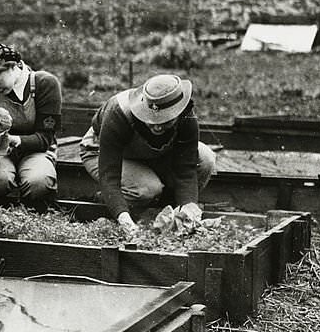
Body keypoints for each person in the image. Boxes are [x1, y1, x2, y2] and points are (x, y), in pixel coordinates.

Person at [79, 73, 217, 231]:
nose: (157, 126)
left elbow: (185, 170)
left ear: (179, 113)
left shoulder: (187, 118)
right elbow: (109, 174)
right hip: (101, 152)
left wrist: (188, 209)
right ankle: (107, 199)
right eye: (151, 118)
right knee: (146, 189)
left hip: (150, 153)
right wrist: (123, 218)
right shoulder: (118, 112)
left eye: (165, 120)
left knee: (205, 158)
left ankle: (168, 209)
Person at [0, 42, 62, 211]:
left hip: (36, 149)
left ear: (12, 67)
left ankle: (33, 212)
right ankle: (1, 212)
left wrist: (12, 140)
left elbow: (45, 139)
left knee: (39, 182)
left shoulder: (44, 83)